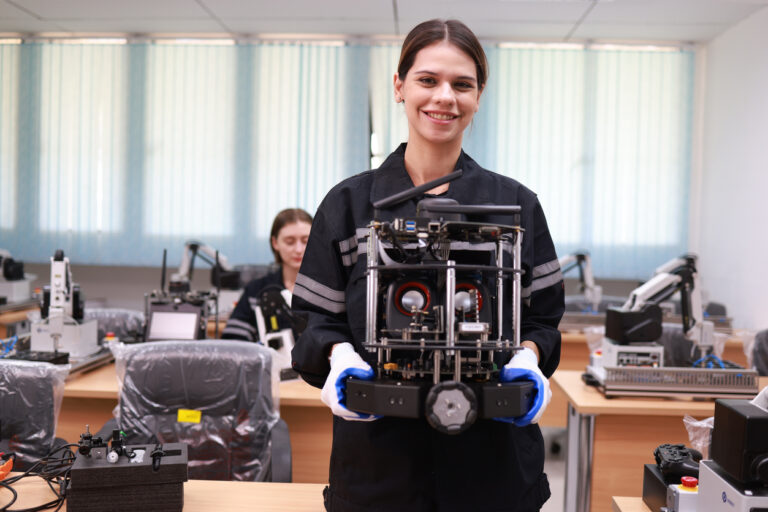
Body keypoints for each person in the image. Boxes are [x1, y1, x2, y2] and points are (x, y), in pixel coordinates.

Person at [291, 19, 564, 512]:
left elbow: (543, 320)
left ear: (479, 96)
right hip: (380, 471)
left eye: (462, 84)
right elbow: (314, 321)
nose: (445, 97)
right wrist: (338, 359)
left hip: (491, 469)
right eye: (428, 80)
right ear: (399, 87)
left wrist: (527, 357)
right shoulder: (350, 205)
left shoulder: (515, 207)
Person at [221, 208, 312, 342]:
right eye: (290, 241)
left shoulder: (330, 291)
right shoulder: (256, 292)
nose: (298, 249)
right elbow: (233, 345)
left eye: (305, 241)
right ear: (275, 243)